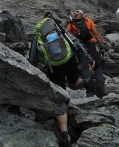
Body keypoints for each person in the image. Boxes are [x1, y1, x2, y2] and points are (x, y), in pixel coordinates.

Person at [29, 13, 94, 147]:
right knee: (74, 83)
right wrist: (87, 58)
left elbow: (32, 60)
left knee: (59, 98)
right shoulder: (60, 30)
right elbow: (76, 42)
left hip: (54, 67)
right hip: (69, 59)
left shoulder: (38, 37)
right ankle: (87, 80)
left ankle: (64, 135)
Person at [66, 9, 106, 97]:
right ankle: (101, 90)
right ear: (83, 15)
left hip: (80, 47)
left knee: (85, 68)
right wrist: (102, 47)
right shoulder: (88, 21)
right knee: (98, 66)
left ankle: (90, 92)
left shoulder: (71, 23)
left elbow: (67, 36)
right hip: (90, 45)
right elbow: (96, 34)